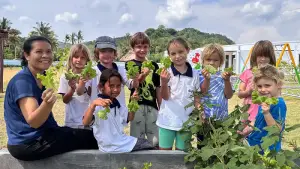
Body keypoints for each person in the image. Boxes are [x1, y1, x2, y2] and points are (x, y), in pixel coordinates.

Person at [4, 36, 98, 161]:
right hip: (28, 143)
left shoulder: (40, 77)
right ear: (27, 55)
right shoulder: (23, 81)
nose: (45, 55)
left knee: (88, 135)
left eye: (48, 51)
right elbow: (34, 121)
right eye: (39, 52)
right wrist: (47, 104)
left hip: (40, 136)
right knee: (94, 138)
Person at [82, 69, 153, 153]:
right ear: (101, 87)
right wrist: (92, 105)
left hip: (121, 142)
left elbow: (130, 117)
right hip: (112, 146)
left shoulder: (116, 103)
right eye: (111, 86)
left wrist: (134, 102)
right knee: (149, 145)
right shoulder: (97, 104)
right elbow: (85, 122)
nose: (115, 89)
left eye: (118, 86)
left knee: (148, 144)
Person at [156, 37, 200, 151]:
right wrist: (164, 82)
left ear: (188, 50)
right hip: (167, 121)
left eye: (181, 52)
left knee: (182, 155)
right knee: (164, 153)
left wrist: (200, 111)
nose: (177, 56)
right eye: (173, 53)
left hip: (186, 123)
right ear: (169, 56)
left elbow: (196, 98)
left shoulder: (195, 74)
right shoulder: (166, 72)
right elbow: (165, 97)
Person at [238, 64, 286, 152]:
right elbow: (256, 120)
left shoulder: (279, 104)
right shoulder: (265, 101)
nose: (262, 89)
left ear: (278, 84)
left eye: (267, 85)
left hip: (267, 150)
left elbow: (276, 130)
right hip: (255, 145)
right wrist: (246, 131)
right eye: (259, 86)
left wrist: (267, 113)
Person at [77, 36, 137, 107]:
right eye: (103, 51)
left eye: (110, 51)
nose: (107, 54)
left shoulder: (121, 69)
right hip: (98, 113)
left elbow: (133, 85)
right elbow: (79, 92)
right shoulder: (92, 71)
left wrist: (136, 77)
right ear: (97, 53)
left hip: (118, 113)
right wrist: (82, 81)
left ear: (114, 53)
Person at [125, 32, 161, 147]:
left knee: (155, 139)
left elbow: (158, 88)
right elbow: (133, 85)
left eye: (145, 47)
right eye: (138, 47)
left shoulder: (154, 65)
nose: (142, 50)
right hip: (136, 106)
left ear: (149, 47)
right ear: (133, 48)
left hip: (152, 105)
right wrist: (143, 76)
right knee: (137, 139)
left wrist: (161, 107)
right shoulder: (129, 64)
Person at [238, 40, 276, 122]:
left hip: (265, 113)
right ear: (254, 57)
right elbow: (240, 94)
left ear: (271, 58)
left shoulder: (273, 74)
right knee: (243, 133)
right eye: (260, 56)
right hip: (247, 113)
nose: (263, 59)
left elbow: (277, 96)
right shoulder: (247, 73)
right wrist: (249, 91)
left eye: (266, 56)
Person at [58, 44, 92, 128]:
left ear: (87, 60)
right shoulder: (65, 77)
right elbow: (65, 100)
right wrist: (71, 89)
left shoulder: (91, 77)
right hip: (72, 121)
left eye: (82, 57)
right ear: (71, 58)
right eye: (76, 57)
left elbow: (90, 95)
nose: (79, 60)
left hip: (88, 120)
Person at [199, 43, 234, 120]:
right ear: (203, 61)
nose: (211, 63)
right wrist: (207, 79)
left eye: (215, 60)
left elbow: (229, 96)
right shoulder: (199, 75)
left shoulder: (224, 76)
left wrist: (227, 80)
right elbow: (201, 93)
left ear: (220, 62)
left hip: (221, 117)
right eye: (208, 59)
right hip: (204, 117)